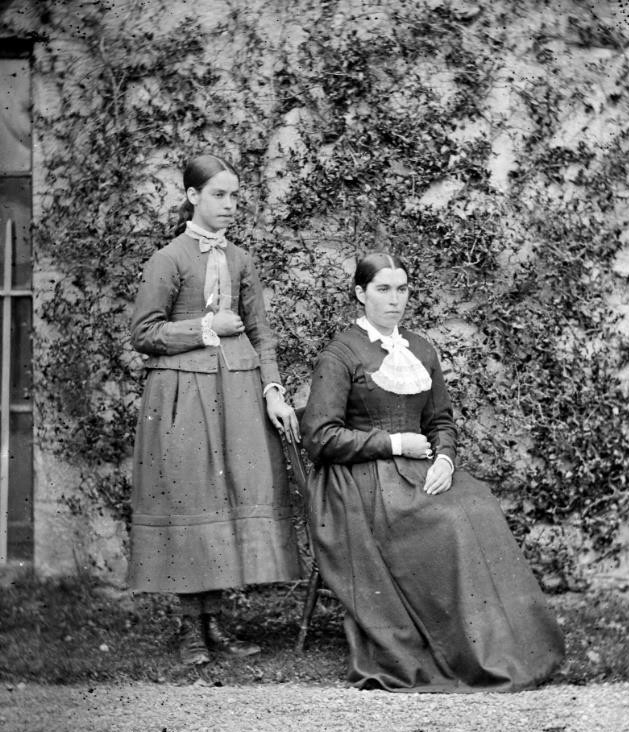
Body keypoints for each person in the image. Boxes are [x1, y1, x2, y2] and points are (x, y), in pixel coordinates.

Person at [301, 252, 564, 692]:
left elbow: (440, 420)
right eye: (383, 289)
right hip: (360, 482)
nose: (394, 300)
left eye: (402, 289)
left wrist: (444, 457)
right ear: (360, 293)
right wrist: (392, 443)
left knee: (479, 505)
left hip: (418, 470)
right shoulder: (341, 354)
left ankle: (507, 648)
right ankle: (463, 651)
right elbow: (320, 438)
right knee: (452, 521)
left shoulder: (421, 348)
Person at [128, 154, 301, 665]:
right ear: (193, 196)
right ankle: (190, 630)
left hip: (239, 393)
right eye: (219, 195)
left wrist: (272, 389)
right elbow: (144, 333)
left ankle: (217, 625)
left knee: (226, 499)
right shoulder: (169, 259)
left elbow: (261, 331)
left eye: (234, 196)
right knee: (191, 500)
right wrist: (204, 330)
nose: (229, 205)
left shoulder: (243, 260)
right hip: (182, 395)